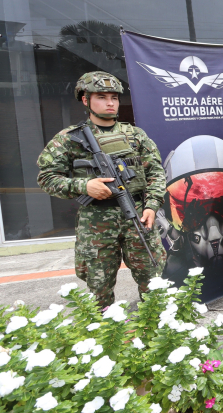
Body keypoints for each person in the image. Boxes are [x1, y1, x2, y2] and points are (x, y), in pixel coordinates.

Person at [37, 71, 167, 308]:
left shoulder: (136, 136)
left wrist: (152, 205)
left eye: (114, 97)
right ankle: (105, 335)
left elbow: (156, 173)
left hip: (137, 214)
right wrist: (84, 185)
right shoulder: (68, 139)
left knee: (152, 279)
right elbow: (46, 178)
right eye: (101, 96)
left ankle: (156, 331)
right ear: (85, 100)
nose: (110, 102)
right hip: (96, 220)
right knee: (99, 287)